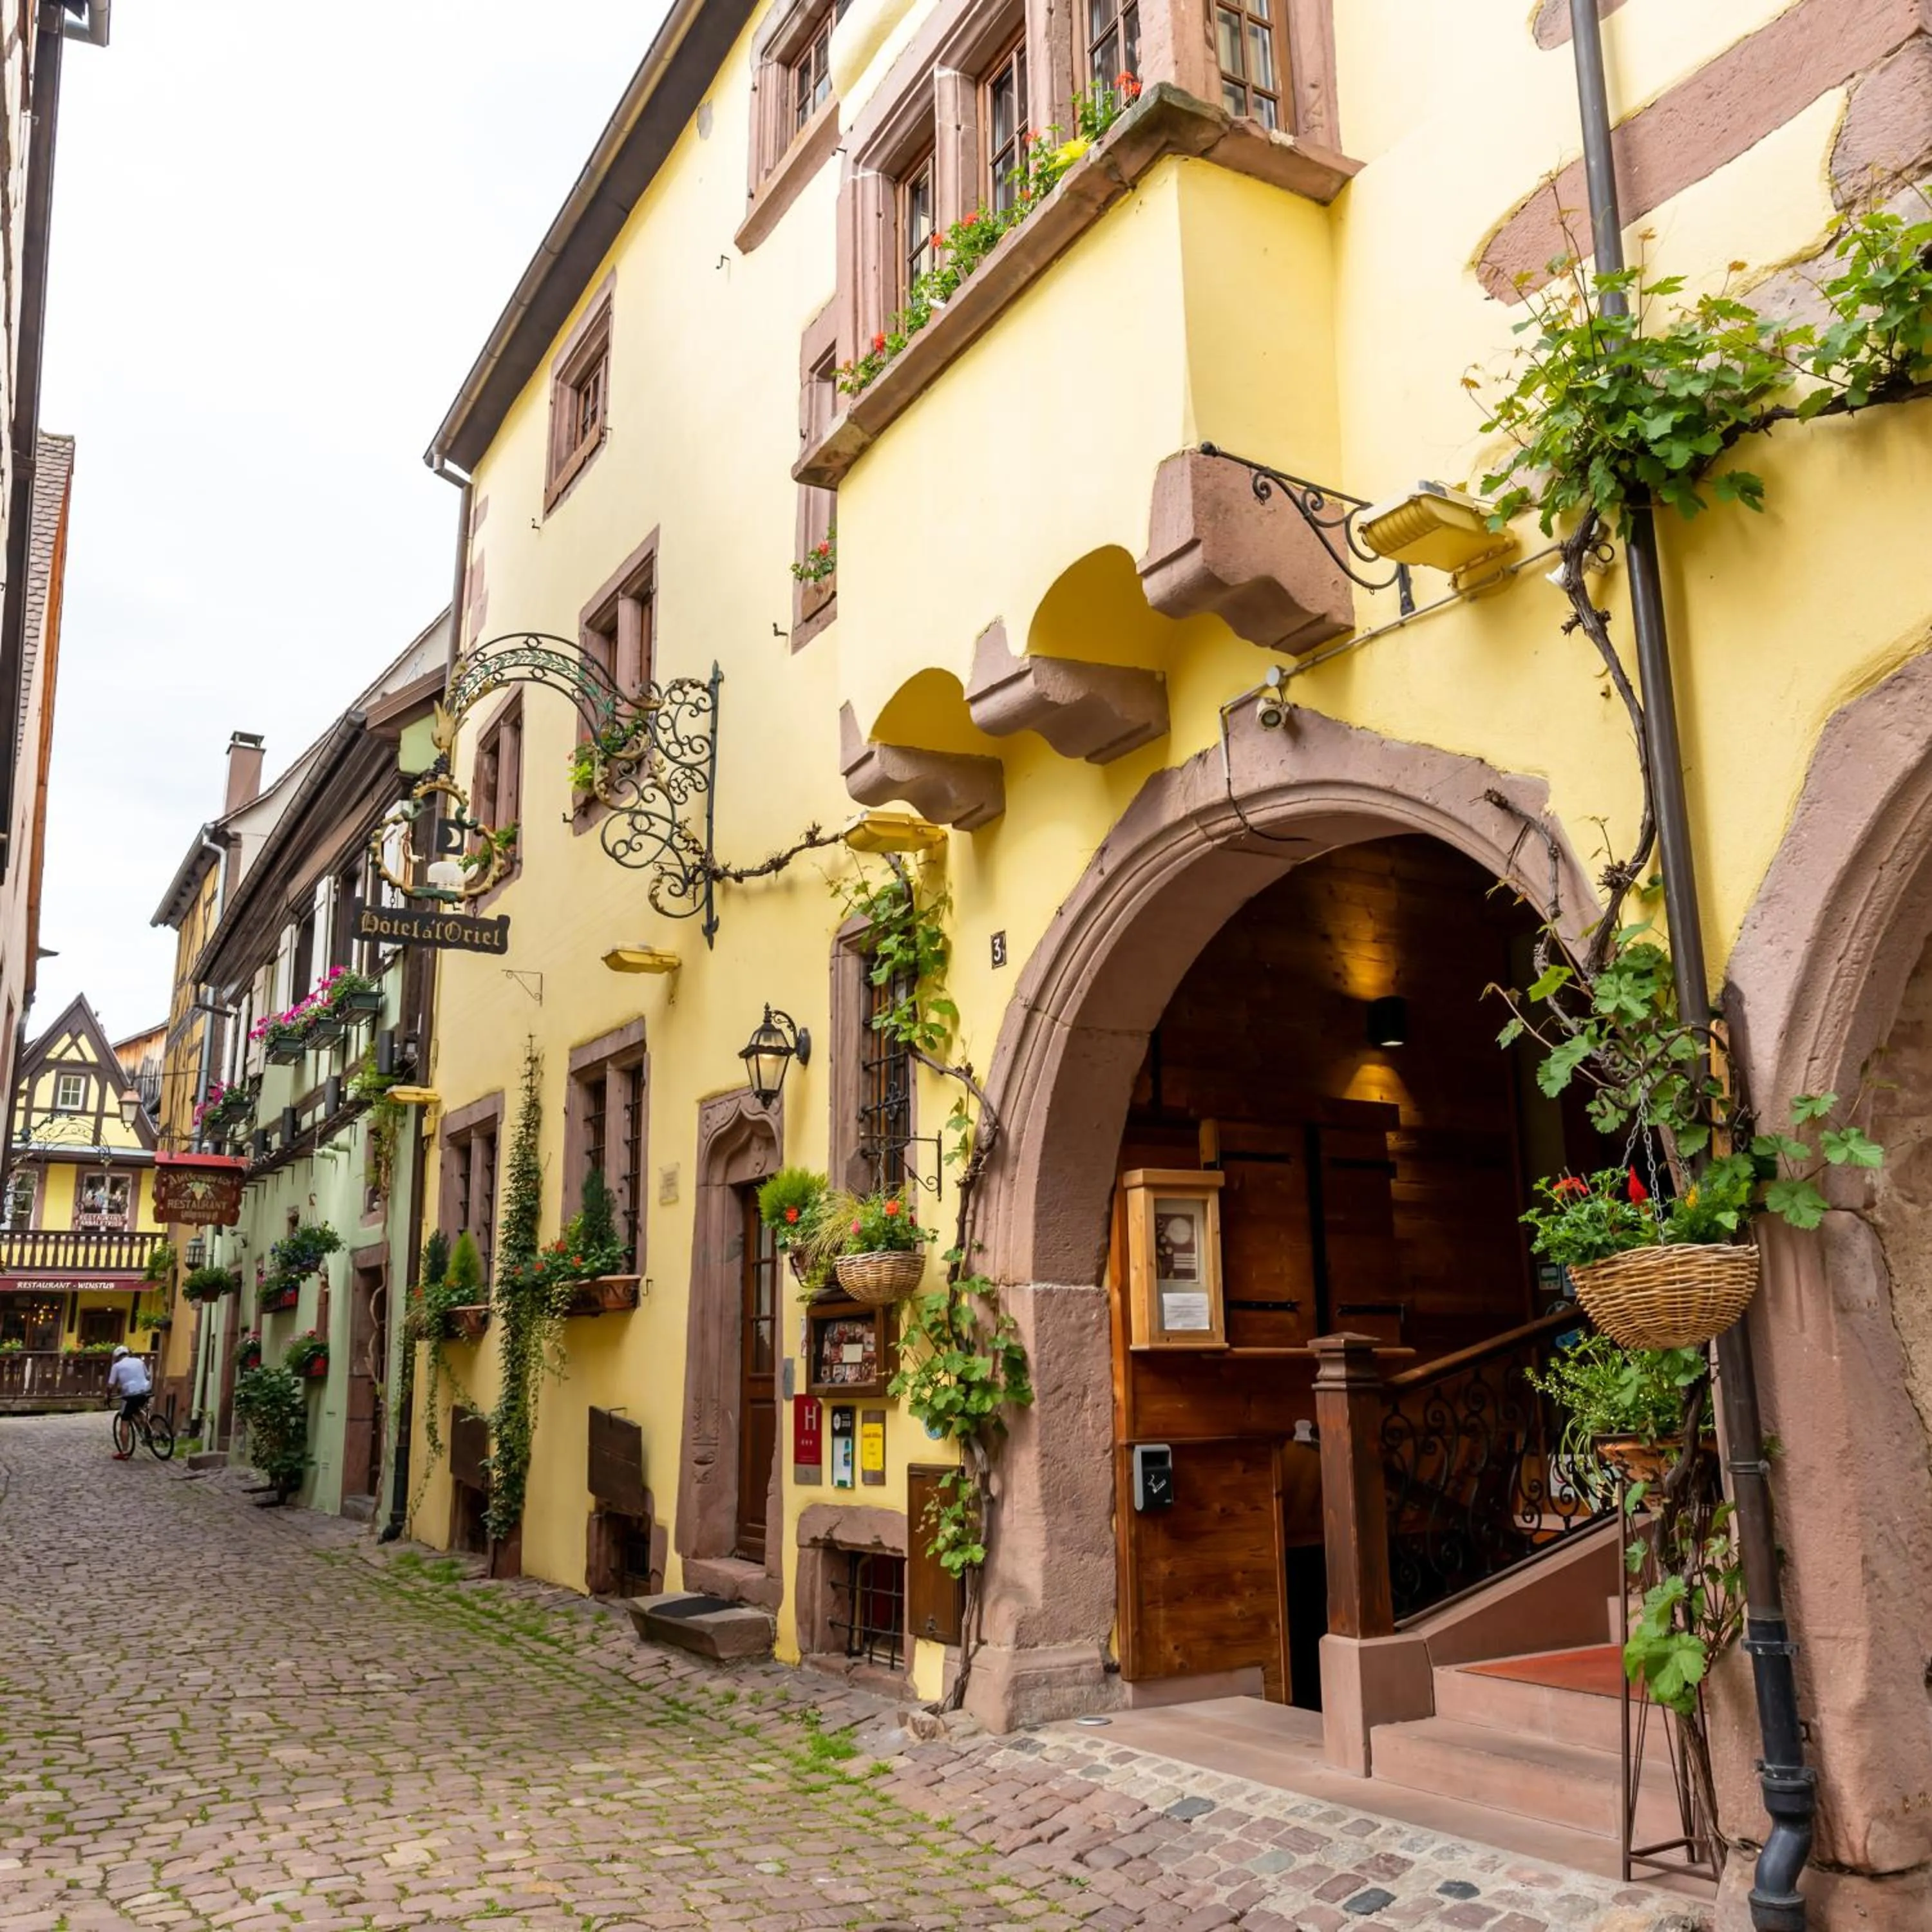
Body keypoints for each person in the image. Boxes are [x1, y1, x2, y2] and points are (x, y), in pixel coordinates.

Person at [106, 1344, 151, 1457]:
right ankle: (150, 1432)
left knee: (125, 1421)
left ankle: (125, 1452)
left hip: (130, 1395)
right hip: (145, 1391)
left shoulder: (117, 1366)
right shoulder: (139, 1361)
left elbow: (110, 1385)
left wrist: (108, 1397)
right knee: (138, 1410)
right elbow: (148, 1376)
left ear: (117, 1357)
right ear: (128, 1354)